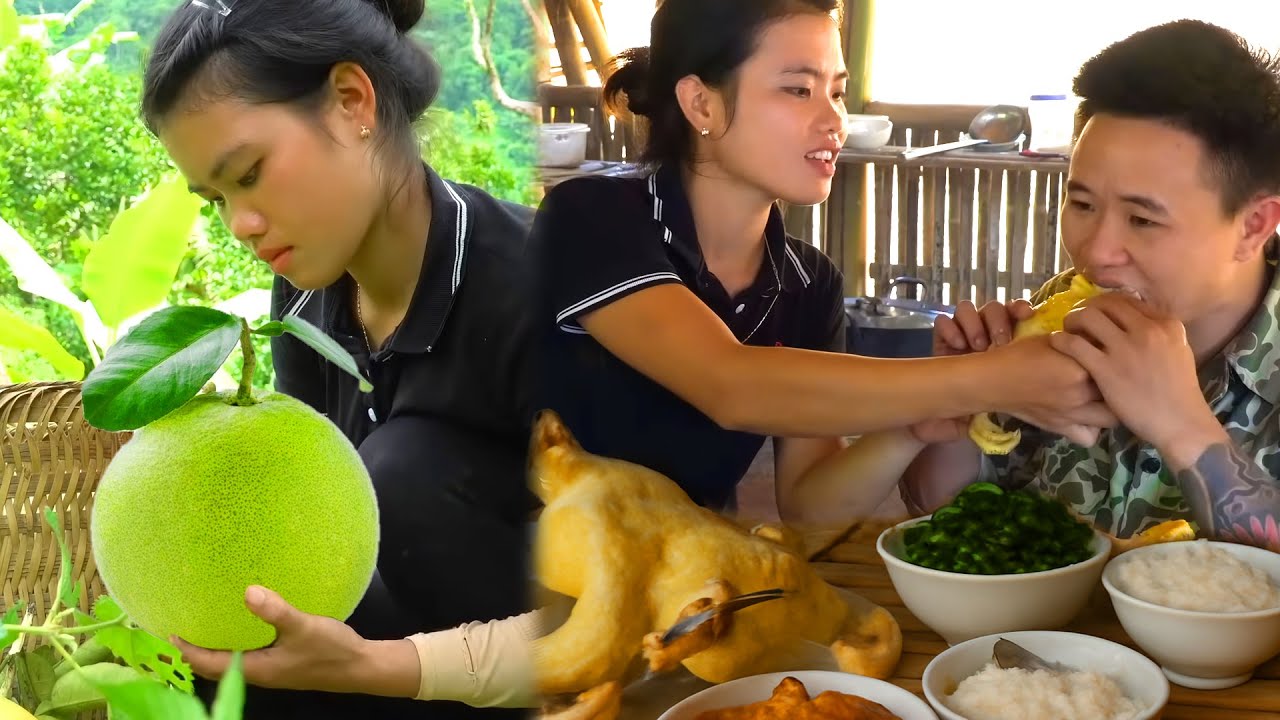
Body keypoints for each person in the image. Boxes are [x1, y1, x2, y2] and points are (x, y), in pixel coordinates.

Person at [525, 0, 1116, 525]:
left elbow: (810, 504)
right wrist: (991, 379)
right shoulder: (593, 217)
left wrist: (912, 427)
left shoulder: (808, 283)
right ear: (701, 102)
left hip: (686, 578)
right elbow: (730, 385)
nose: (835, 120)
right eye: (798, 90)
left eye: (836, 91)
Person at [140, 0, 540, 715]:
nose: (241, 225)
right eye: (215, 199)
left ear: (353, 101)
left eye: (249, 174)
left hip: (551, 671)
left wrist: (374, 669)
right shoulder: (303, 297)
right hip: (396, 651)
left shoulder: (547, 291)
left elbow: (648, 607)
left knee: (404, 473)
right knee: (221, 649)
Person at [878, 19, 1280, 551]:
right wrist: (963, 394)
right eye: (1083, 204)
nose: (1095, 252)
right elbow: (942, 514)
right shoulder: (1058, 311)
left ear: (1253, 226)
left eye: (1143, 220)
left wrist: (1182, 427)